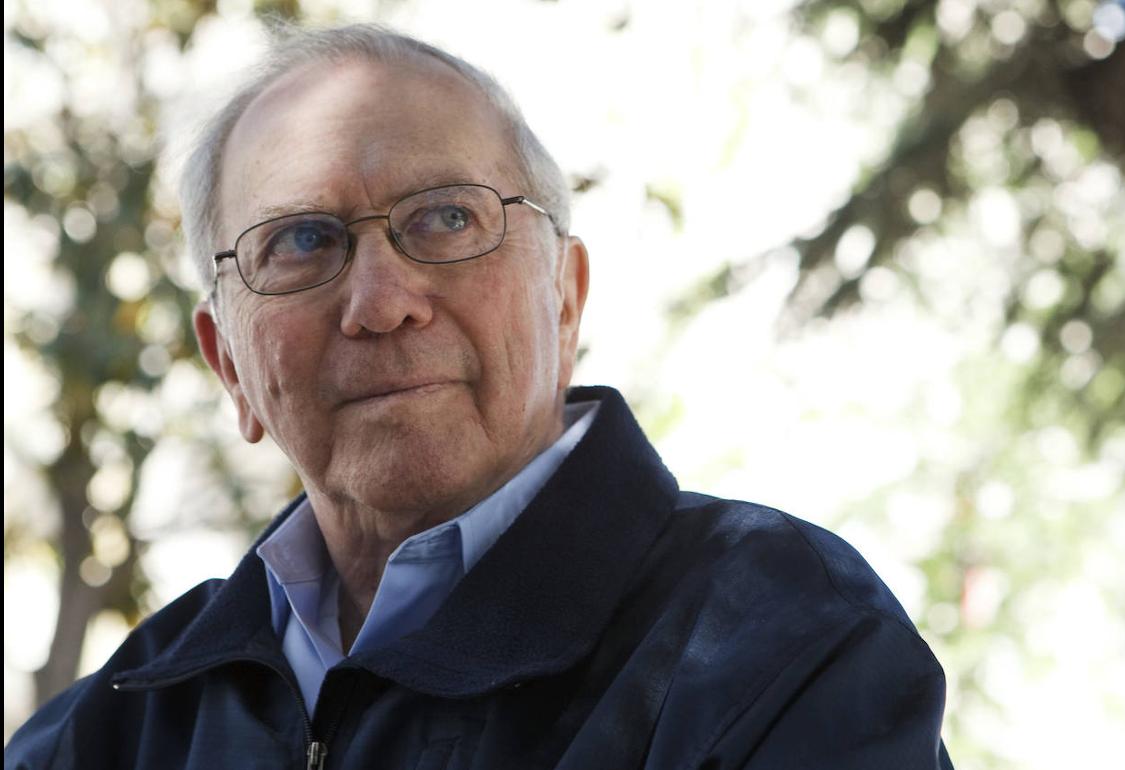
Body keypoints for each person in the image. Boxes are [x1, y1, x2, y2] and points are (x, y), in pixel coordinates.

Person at [5, 24, 954, 770]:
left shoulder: (782, 639)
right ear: (230, 367)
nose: (382, 304)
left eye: (448, 217)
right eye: (301, 241)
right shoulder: (122, 724)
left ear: (565, 298)